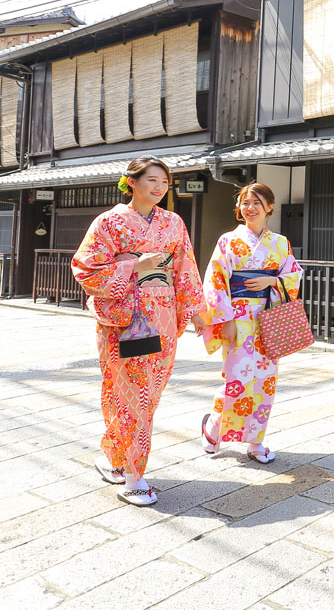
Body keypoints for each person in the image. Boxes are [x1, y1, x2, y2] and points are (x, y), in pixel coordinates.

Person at [72, 156, 206, 506]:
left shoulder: (173, 223)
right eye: (152, 179)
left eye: (165, 182)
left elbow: (185, 268)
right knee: (133, 393)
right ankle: (134, 477)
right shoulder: (109, 222)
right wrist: (134, 264)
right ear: (131, 181)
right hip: (126, 319)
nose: (160, 187)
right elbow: (86, 270)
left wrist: (197, 311)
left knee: (149, 393)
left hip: (162, 318)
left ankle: (114, 457)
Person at [198, 182, 302, 464]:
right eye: (245, 202)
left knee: (265, 382)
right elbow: (216, 280)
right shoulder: (228, 241)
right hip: (239, 315)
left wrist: (272, 280)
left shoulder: (280, 243)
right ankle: (213, 429)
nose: (250, 208)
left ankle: (256, 442)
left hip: (267, 316)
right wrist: (226, 320)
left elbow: (294, 276)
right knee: (237, 380)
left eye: (257, 202)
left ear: (269, 207)